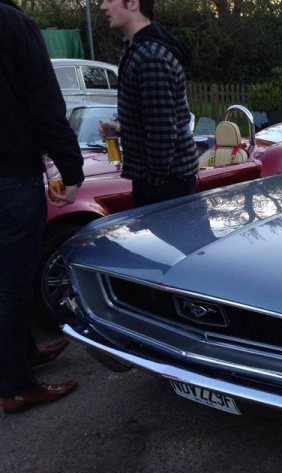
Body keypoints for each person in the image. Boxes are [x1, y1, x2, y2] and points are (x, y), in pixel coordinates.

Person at [0, 0, 82, 413]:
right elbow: (45, 104)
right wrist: (71, 169)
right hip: (10, 173)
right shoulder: (13, 24)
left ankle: (23, 355)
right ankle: (15, 386)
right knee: (12, 284)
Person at [99, 0, 199, 207]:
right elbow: (151, 116)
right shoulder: (137, 49)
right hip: (159, 179)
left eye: (109, 0)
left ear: (133, 3)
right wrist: (121, 128)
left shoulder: (150, 57)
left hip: (166, 184)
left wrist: (154, 181)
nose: (102, 7)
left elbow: (163, 129)